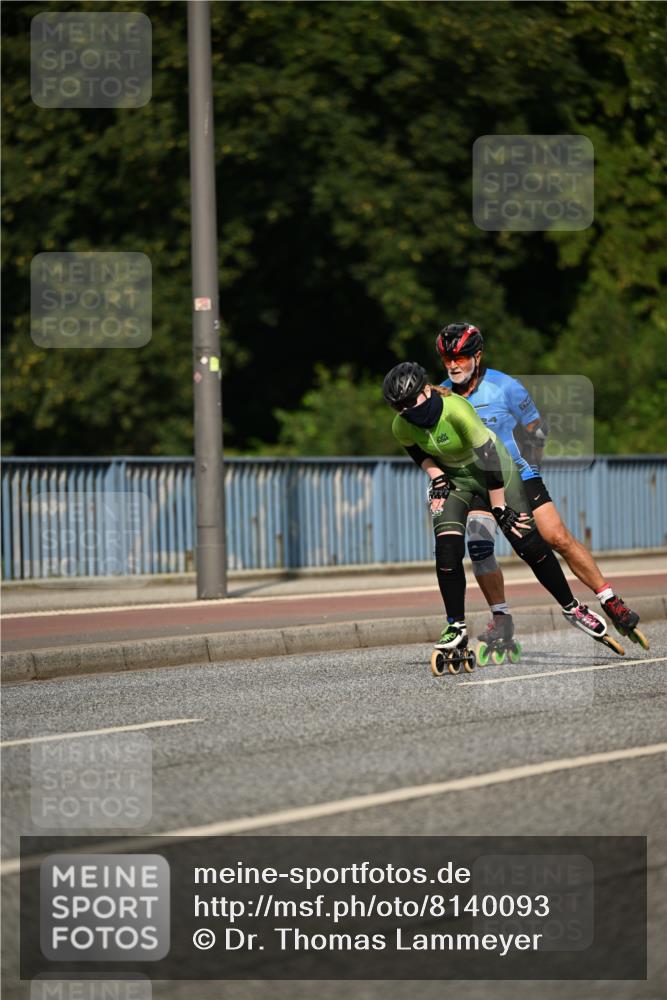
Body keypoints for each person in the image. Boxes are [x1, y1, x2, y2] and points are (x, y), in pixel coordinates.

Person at [434, 322, 644, 646]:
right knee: (479, 547)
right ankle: (501, 618)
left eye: (460, 356)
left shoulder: (505, 387)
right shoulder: (442, 395)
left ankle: (609, 599)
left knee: (556, 537)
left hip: (518, 475)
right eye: (447, 357)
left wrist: (530, 468)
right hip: (479, 482)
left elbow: (537, 428)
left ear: (478, 355)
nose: (453, 364)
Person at [382, 361, 614, 654]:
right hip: (456, 481)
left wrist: (500, 508)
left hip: (494, 471)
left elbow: (490, 460)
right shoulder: (401, 425)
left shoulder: (456, 410)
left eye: (409, 402)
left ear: (426, 390)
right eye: (398, 407)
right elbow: (417, 453)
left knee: (527, 543)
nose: (406, 411)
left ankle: (573, 607)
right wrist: (437, 476)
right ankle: (455, 625)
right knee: (447, 549)